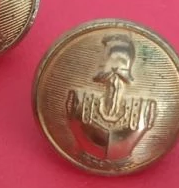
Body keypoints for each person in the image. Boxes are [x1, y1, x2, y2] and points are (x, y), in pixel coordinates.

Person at [66, 34, 157, 162]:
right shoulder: (79, 99)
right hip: (83, 158)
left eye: (120, 60)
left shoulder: (144, 108)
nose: (105, 64)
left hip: (127, 163)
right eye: (106, 58)